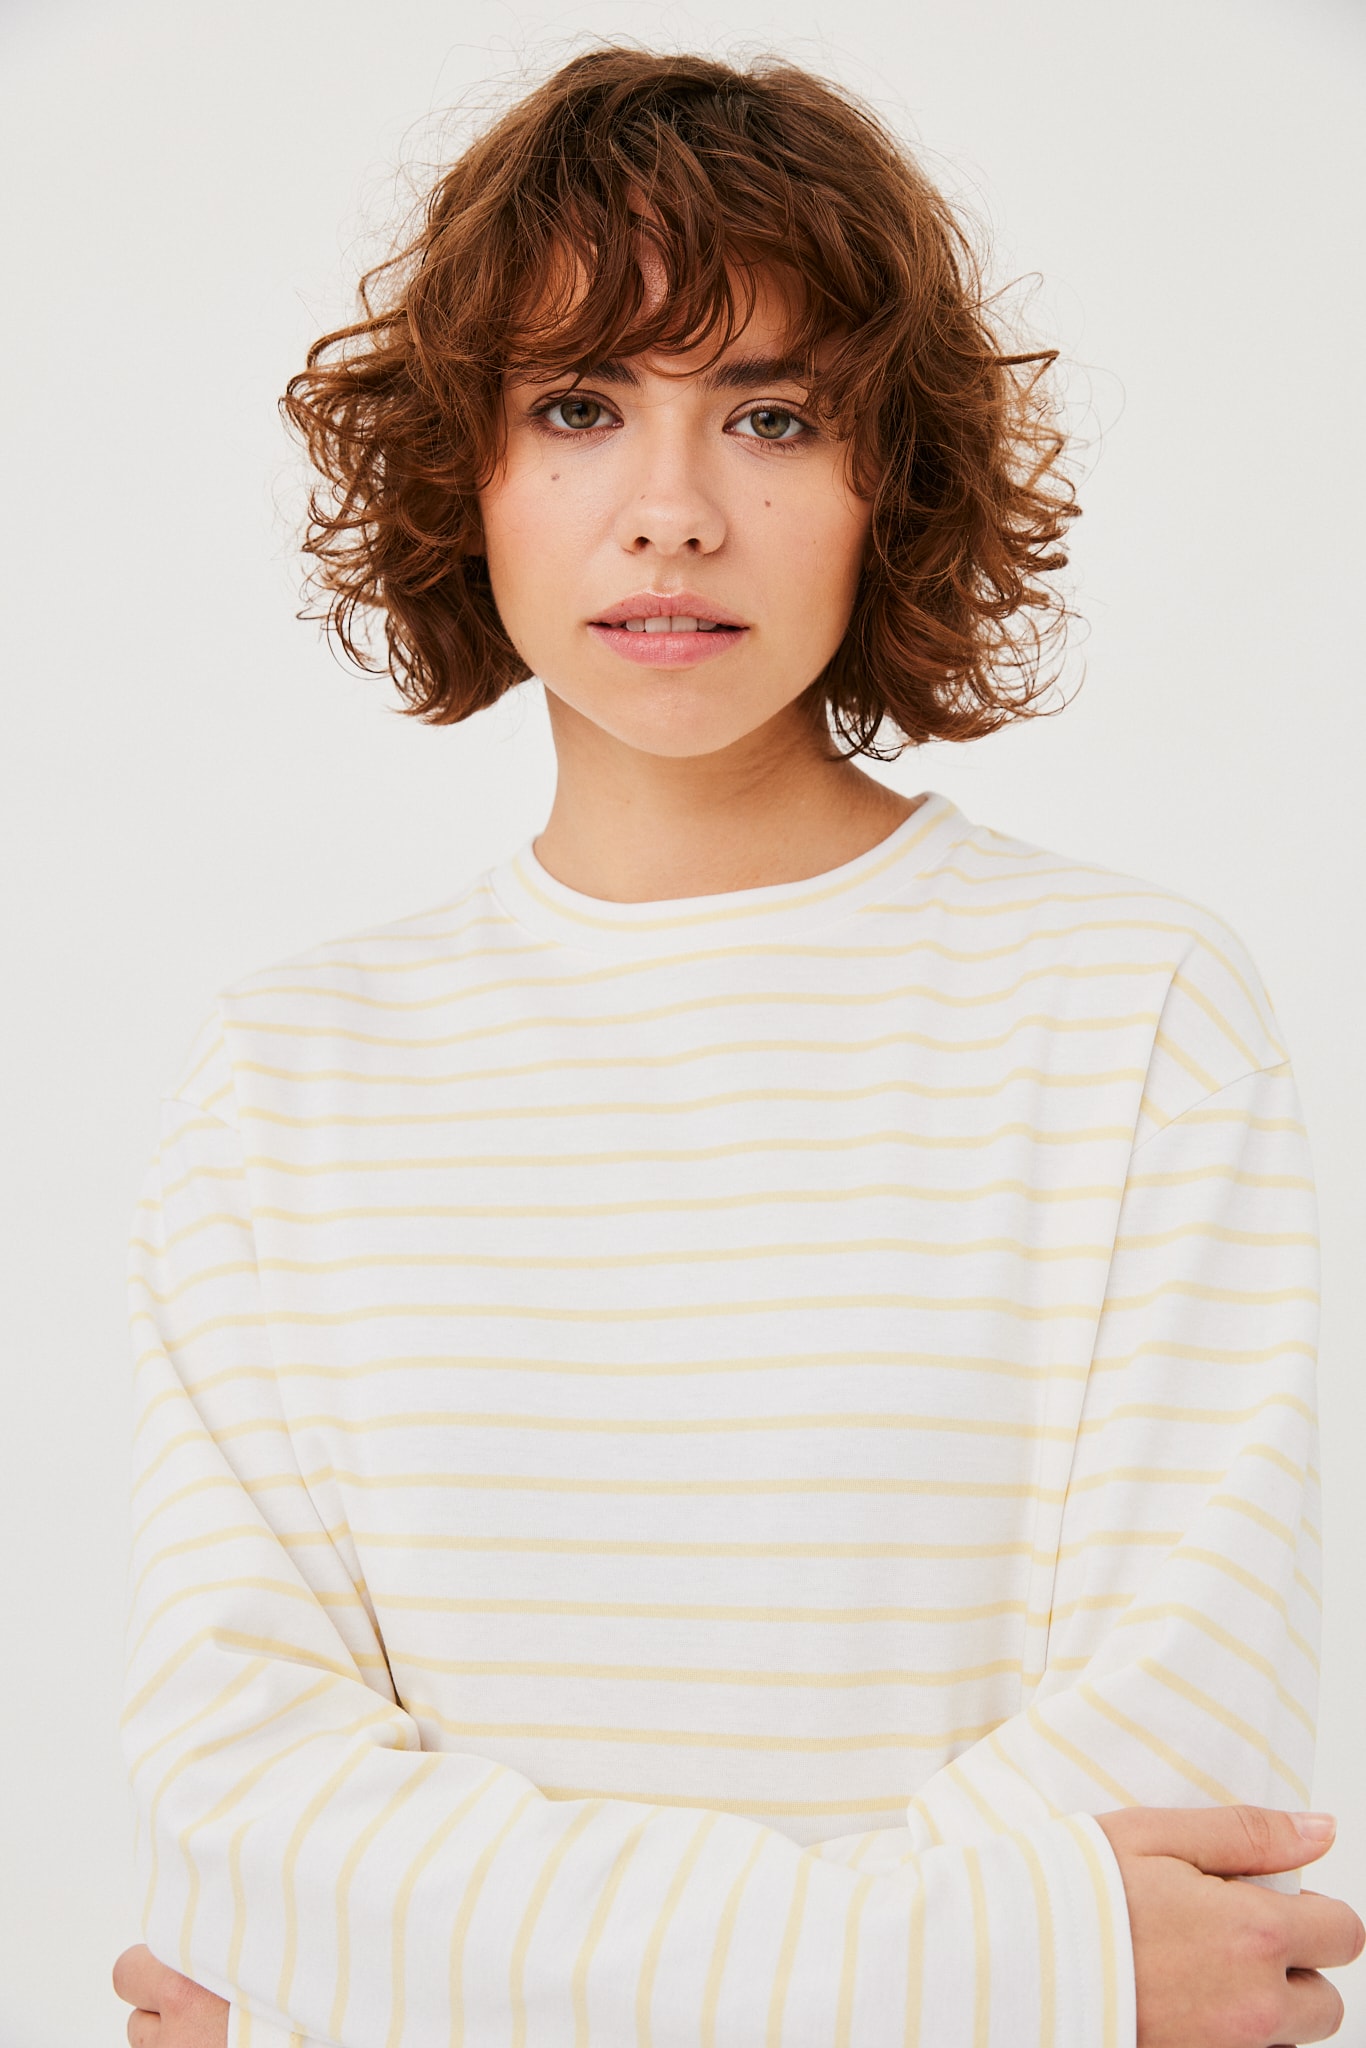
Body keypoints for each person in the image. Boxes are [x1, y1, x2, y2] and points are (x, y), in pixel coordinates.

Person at [112, 44, 1362, 2048]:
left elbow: (1181, 1784)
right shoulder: (288, 1078)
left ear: (889, 484)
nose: (672, 514)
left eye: (772, 416)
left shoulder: (1128, 1010)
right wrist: (1010, 1970)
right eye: (577, 407)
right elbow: (242, 1812)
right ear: (464, 468)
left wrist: (401, 2006)